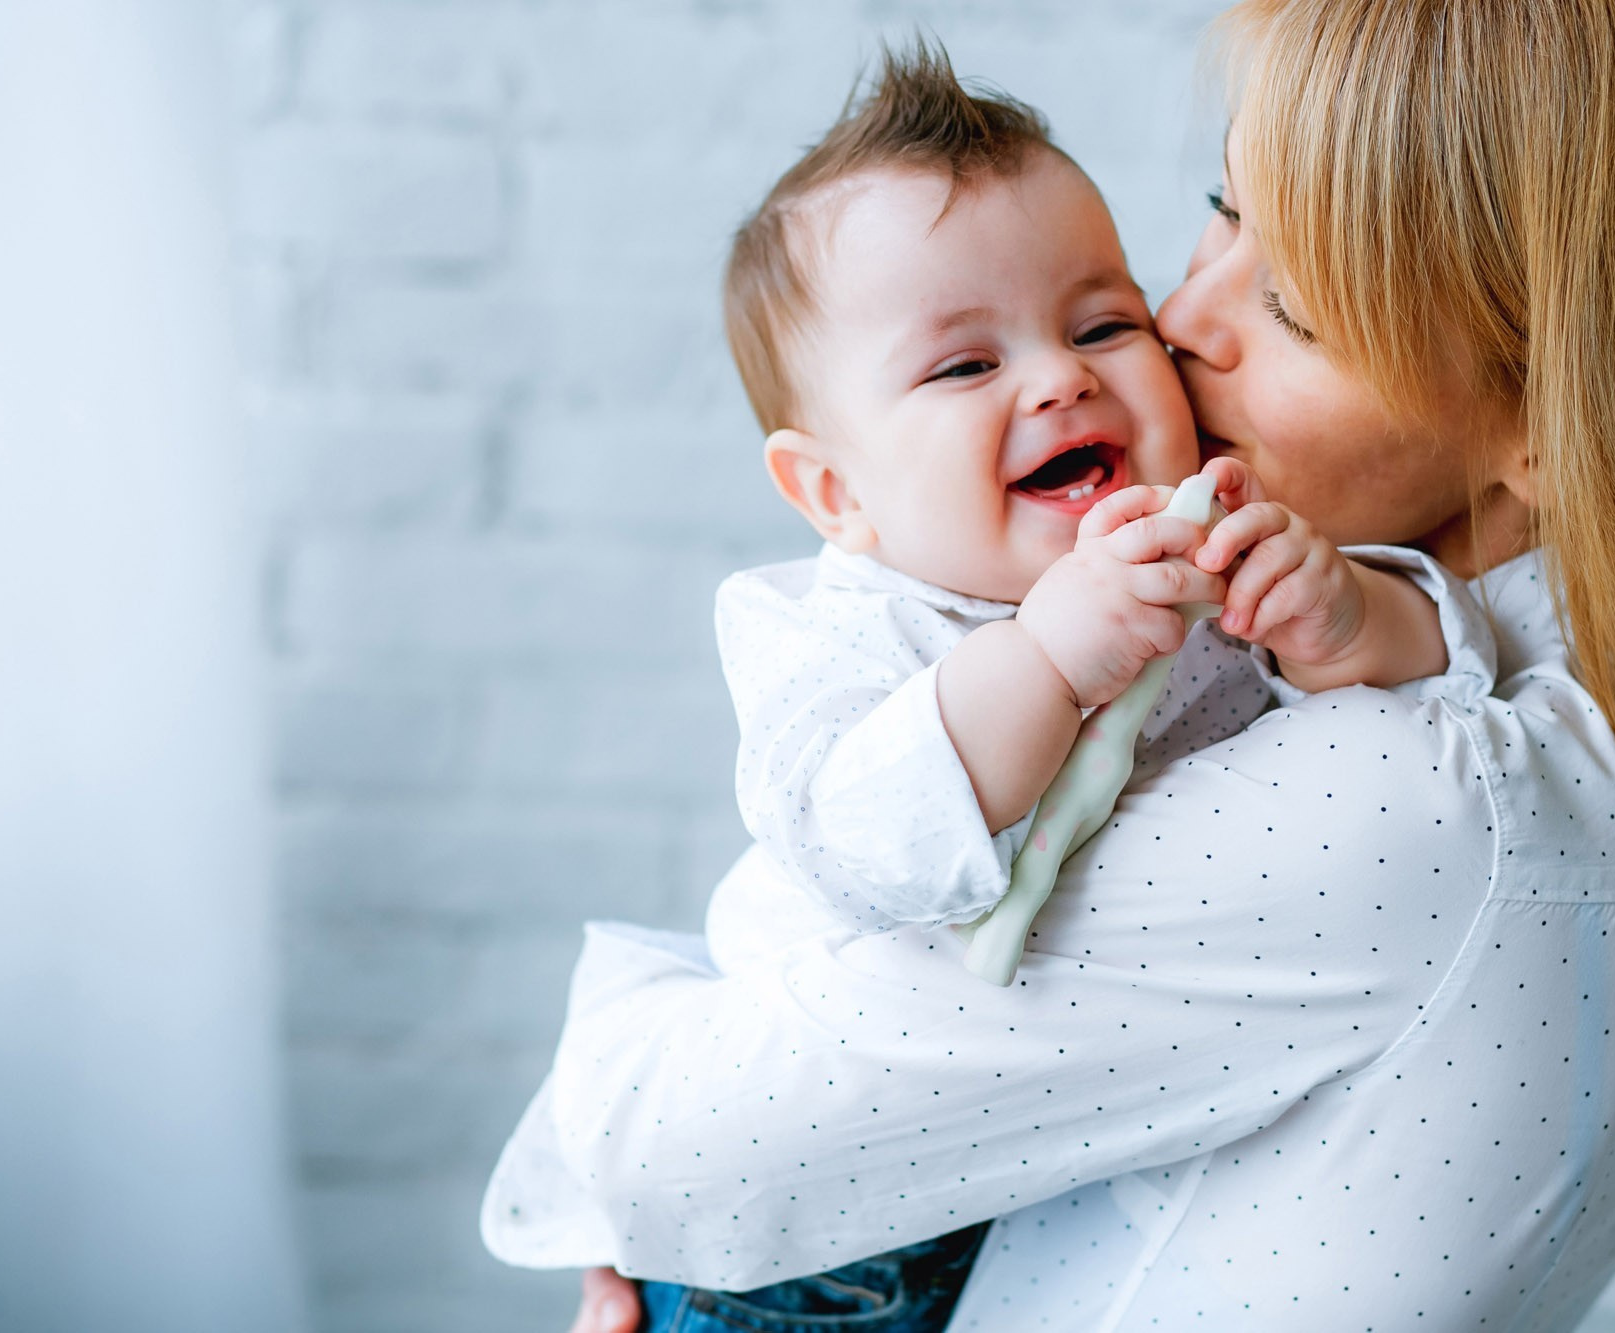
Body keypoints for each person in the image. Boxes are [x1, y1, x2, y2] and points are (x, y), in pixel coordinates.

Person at [551, 0, 1615, 1326]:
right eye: (1221, 208)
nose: (1176, 316)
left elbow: (656, 1149)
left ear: (1553, 426)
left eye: (1298, 311)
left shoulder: (1410, 805)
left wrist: (642, 1024)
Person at [481, 40, 1466, 1331]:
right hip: (805, 1249)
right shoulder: (841, 631)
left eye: (1104, 323)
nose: (1060, 376)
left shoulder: (1205, 549)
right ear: (836, 493)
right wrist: (1048, 658)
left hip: (1036, 1183)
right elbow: (873, 847)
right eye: (964, 366)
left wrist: (1345, 622)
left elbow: (1439, 677)